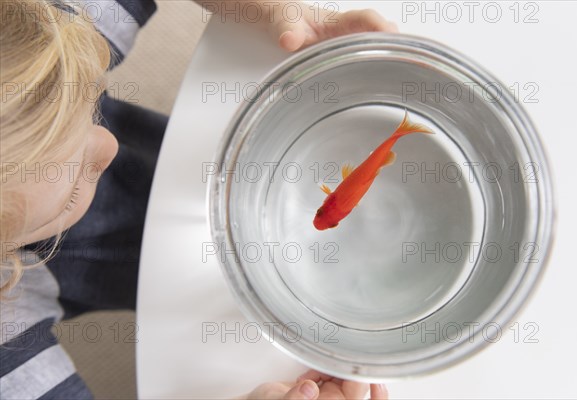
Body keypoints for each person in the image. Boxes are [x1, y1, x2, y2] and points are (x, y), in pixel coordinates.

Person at [0, 1, 397, 398]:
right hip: (131, 274)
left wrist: (275, 10)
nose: (109, 146)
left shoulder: (30, 39)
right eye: (70, 193)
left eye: (91, 102)